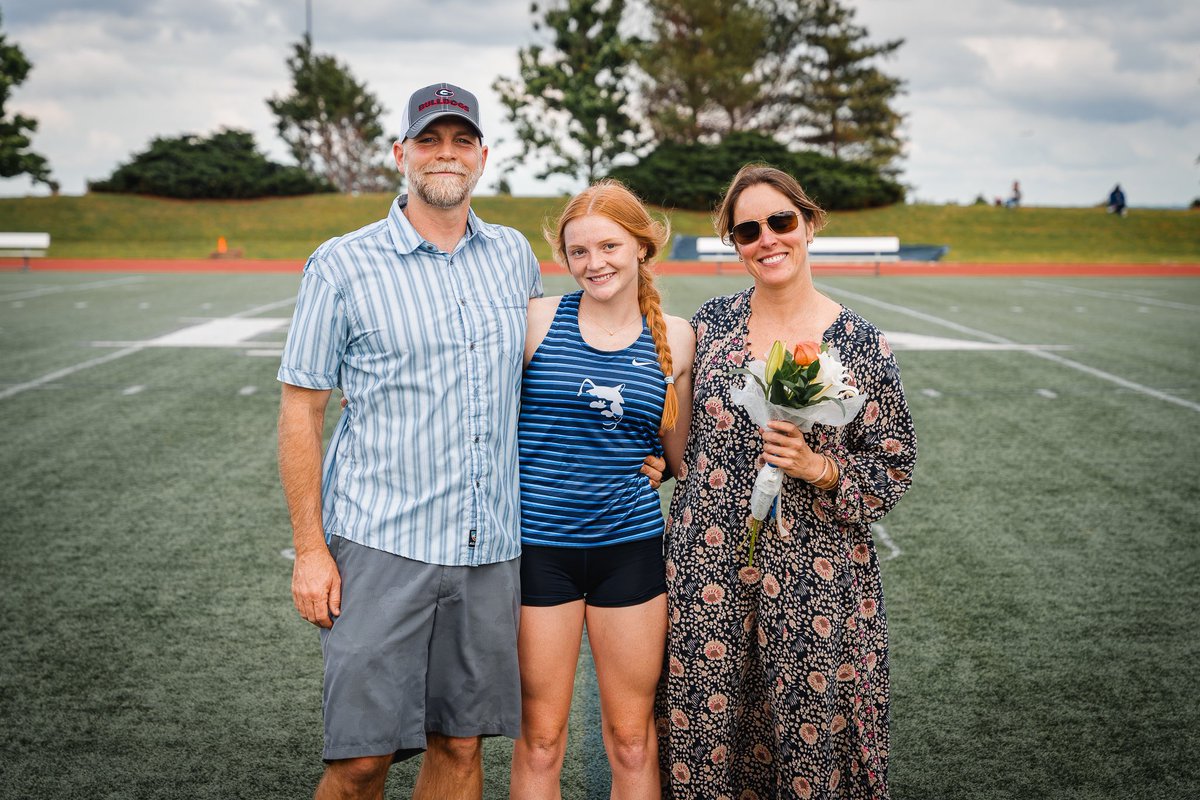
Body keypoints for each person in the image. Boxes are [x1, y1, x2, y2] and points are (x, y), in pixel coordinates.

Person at [277, 82, 543, 800]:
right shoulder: (342, 262)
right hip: (380, 543)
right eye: (430, 140)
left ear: (483, 156)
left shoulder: (514, 256)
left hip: (489, 548)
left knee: (458, 744)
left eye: (461, 141)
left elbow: (544, 380)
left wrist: (634, 446)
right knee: (361, 761)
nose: (445, 154)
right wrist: (309, 549)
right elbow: (302, 409)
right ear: (401, 154)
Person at [656, 164, 917, 799]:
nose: (767, 239)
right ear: (734, 243)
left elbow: (893, 464)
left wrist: (819, 468)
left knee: (812, 737)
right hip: (708, 569)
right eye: (748, 230)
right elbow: (674, 436)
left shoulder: (861, 343)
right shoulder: (710, 326)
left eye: (781, 221)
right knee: (705, 732)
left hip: (818, 576)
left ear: (807, 223)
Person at [509, 180, 695, 799]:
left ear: (642, 246)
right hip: (541, 552)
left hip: (631, 551)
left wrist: (660, 468)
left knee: (633, 739)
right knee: (540, 739)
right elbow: (471, 402)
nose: (595, 263)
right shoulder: (537, 321)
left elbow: (680, 458)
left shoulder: (678, 338)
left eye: (609, 246)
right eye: (579, 252)